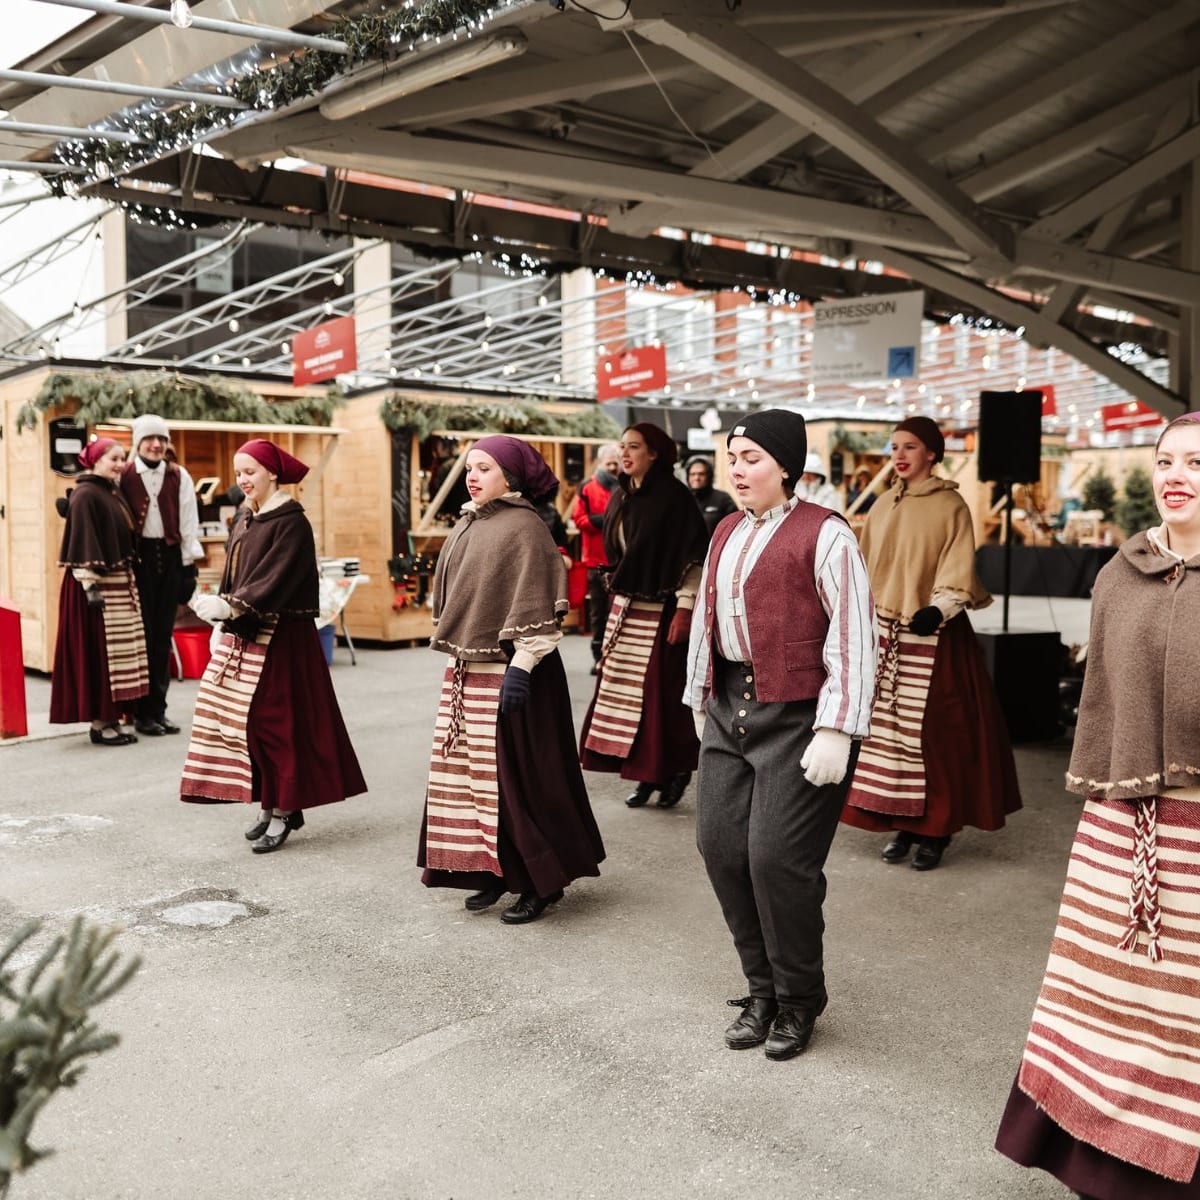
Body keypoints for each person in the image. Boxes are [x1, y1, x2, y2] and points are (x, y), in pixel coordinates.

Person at [996, 411, 1200, 1200]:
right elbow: (1103, 703)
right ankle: (1101, 1165)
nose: (1175, 473)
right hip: (1122, 827)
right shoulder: (1122, 573)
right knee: (1106, 1006)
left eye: (1194, 461)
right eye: (1165, 459)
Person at [684, 410, 877, 1060]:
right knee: (719, 847)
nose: (738, 469)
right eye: (733, 456)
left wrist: (839, 729)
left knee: (777, 862)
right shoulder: (724, 532)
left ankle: (798, 999)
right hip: (727, 709)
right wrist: (696, 700)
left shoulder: (826, 535)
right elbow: (709, 626)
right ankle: (760, 988)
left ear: (787, 465)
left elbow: (854, 635)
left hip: (799, 717)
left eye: (753, 458)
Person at [417, 435, 605, 924]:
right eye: (469, 468)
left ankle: (540, 882)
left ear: (511, 477)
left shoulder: (525, 527)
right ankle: (494, 871)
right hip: (469, 669)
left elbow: (538, 608)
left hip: (517, 672)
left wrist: (522, 667)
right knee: (474, 780)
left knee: (520, 782)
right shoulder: (469, 522)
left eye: (483, 468)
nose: (472, 476)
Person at [840, 417, 1021, 870]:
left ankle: (936, 831)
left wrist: (937, 609)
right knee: (887, 734)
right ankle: (901, 821)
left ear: (932, 454)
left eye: (911, 447)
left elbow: (957, 563)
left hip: (934, 632)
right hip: (885, 632)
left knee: (936, 737)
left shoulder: (951, 505)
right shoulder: (882, 504)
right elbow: (864, 563)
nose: (899, 456)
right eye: (895, 447)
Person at [180, 440, 366, 852]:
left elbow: (274, 579)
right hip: (246, 630)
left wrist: (230, 607)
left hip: (284, 637)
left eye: (250, 471)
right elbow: (235, 571)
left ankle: (285, 810)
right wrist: (221, 620)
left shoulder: (291, 521)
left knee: (277, 723)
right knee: (250, 722)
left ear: (272, 474)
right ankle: (271, 801)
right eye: (239, 472)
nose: (243, 480)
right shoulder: (246, 516)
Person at [579, 424, 708, 809]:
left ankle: (673, 772)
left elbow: (693, 555)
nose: (625, 453)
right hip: (626, 605)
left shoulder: (674, 497)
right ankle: (643, 774)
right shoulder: (622, 495)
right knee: (626, 694)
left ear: (655, 453)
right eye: (623, 446)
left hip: (663, 607)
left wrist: (685, 608)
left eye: (634, 446)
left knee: (660, 698)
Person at [49, 437, 150, 746]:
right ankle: (99, 722)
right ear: (95, 460)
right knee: (101, 655)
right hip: (94, 586)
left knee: (118, 657)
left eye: (122, 459)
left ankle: (112, 717)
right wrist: (91, 585)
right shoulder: (86, 494)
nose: (120, 465)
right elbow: (83, 543)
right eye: (113, 459)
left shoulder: (109, 490)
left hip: (118, 583)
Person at [118, 414, 200, 736]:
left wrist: (187, 568)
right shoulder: (123, 474)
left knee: (162, 637)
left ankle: (158, 709)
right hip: (137, 562)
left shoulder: (179, 475)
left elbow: (188, 522)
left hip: (169, 560)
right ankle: (138, 713)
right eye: (150, 439)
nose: (156, 444)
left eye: (162, 439)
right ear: (138, 442)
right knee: (141, 639)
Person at [573, 443, 620, 672]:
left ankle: (616, 657)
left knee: (617, 611)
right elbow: (579, 518)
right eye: (609, 463)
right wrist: (604, 520)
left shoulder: (625, 486)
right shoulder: (587, 487)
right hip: (595, 561)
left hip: (619, 561)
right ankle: (598, 656)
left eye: (615, 463)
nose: (613, 467)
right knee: (598, 613)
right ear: (601, 463)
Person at [686, 455, 739, 537]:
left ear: (709, 476)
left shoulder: (723, 499)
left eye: (701, 474)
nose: (697, 478)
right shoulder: (683, 499)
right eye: (692, 474)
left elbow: (736, 528)